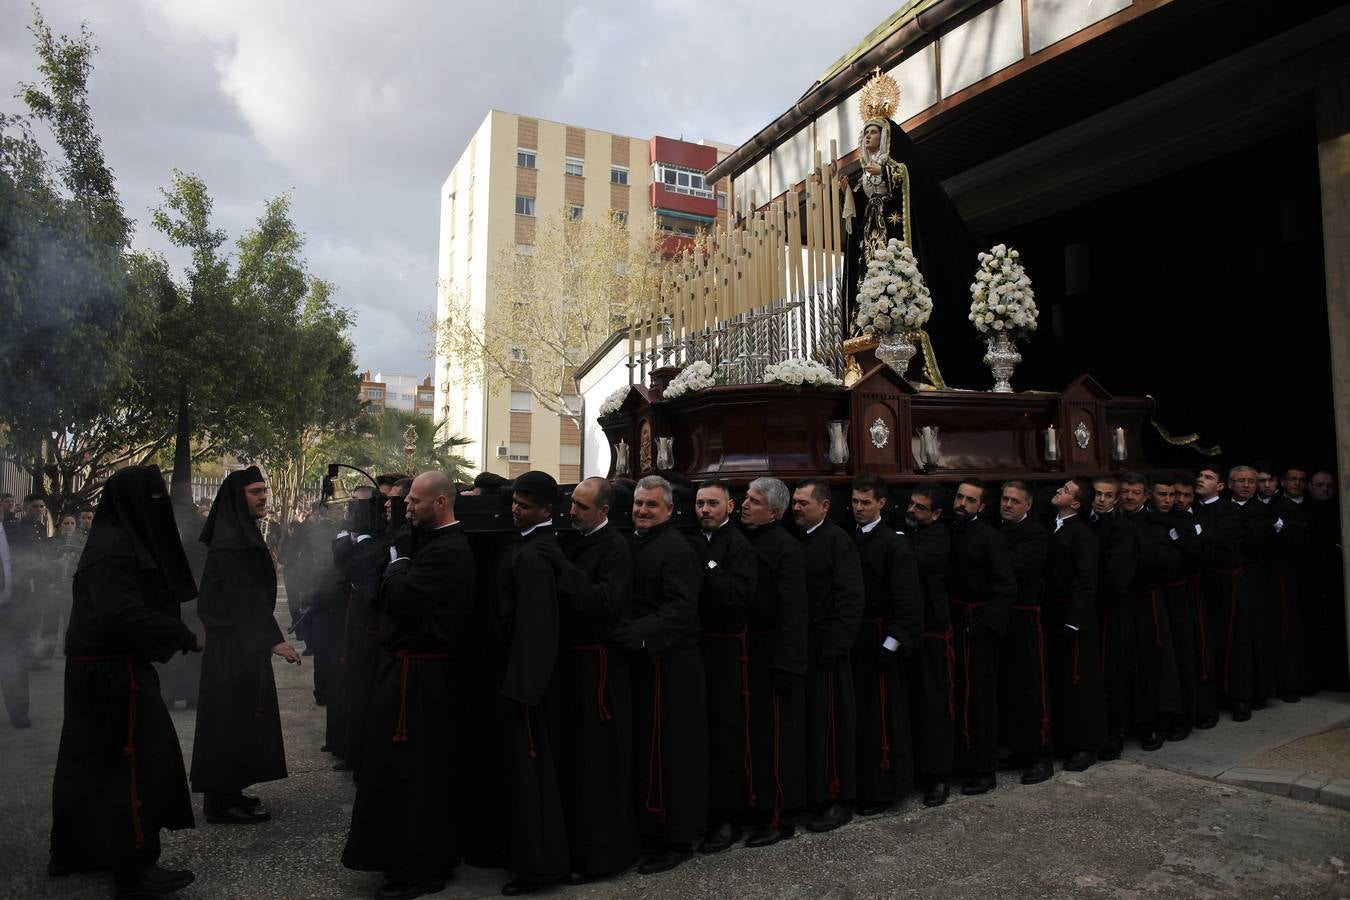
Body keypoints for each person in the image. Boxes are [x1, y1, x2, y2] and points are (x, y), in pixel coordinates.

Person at [48, 466, 202, 898]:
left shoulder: (110, 539)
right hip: (115, 673)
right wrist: (183, 637)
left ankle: (76, 850)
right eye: (151, 499)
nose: (159, 508)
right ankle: (134, 866)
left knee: (89, 763)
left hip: (95, 669)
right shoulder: (116, 549)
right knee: (133, 764)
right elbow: (121, 614)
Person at [343, 471, 476, 900]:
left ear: (441, 503)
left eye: (415, 501)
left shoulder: (451, 551)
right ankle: (402, 857)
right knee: (397, 772)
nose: (407, 507)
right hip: (406, 672)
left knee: (420, 775)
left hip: (425, 679)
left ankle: (422, 866)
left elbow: (400, 598)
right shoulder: (426, 541)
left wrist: (398, 567)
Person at [190, 466, 299, 825]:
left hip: (240, 645)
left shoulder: (240, 532)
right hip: (232, 650)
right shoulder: (232, 540)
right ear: (238, 497)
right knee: (230, 722)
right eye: (255, 492)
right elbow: (242, 599)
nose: (263, 496)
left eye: (264, 490)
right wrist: (274, 640)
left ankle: (231, 790)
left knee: (241, 721)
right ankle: (221, 802)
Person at [614, 475, 707, 875]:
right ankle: (650, 830)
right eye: (638, 504)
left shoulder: (677, 550)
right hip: (644, 662)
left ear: (670, 509)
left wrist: (637, 635)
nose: (642, 511)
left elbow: (681, 610)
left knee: (672, 753)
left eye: (651, 505)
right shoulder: (635, 543)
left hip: (672, 667)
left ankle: (677, 838)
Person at [551, 476, 637, 880]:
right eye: (572, 504)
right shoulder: (571, 539)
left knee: (597, 767)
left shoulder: (615, 548)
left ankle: (600, 857)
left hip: (599, 670)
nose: (572, 512)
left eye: (582, 508)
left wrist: (562, 570)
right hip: (572, 668)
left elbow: (603, 602)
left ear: (604, 512)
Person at [494, 471, 569, 895]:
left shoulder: (538, 553)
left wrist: (524, 686)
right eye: (514, 504)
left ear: (546, 510)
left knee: (534, 776)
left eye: (524, 506)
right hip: (518, 677)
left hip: (528, 685)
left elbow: (537, 629)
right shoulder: (525, 544)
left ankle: (539, 867)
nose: (515, 511)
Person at [738, 477, 808, 848]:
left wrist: (787, 663)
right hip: (747, 651)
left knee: (775, 739)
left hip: (773, 654)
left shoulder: (786, 548)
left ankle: (779, 816)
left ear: (775, 512)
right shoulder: (743, 539)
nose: (744, 504)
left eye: (754, 500)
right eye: (746, 498)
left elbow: (793, 611)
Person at [792, 478, 864, 832]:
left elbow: (850, 599)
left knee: (832, 726)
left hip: (828, 650)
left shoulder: (837, 542)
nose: (797, 508)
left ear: (824, 506)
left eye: (804, 503)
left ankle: (838, 797)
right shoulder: (796, 540)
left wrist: (834, 646)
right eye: (794, 502)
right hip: (803, 649)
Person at [691, 479, 758, 853]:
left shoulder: (737, 546)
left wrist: (711, 566)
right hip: (699, 648)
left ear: (729, 507)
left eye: (713, 504)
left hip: (728, 653)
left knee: (727, 733)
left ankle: (728, 819)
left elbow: (738, 596)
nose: (705, 510)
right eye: (700, 503)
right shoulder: (694, 540)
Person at [848, 474, 921, 814]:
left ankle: (884, 789)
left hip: (880, 640)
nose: (859, 508)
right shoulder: (851, 538)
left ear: (881, 504)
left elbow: (907, 600)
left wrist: (891, 645)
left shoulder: (894, 544)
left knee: (882, 717)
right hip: (856, 638)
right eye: (855, 502)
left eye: (865, 502)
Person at [947, 478, 1017, 796]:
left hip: (980, 630)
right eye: (959, 497)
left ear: (982, 506)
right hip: (955, 625)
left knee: (981, 702)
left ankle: (983, 770)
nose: (962, 504)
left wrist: (984, 627)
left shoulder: (990, 538)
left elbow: (1005, 588)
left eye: (970, 500)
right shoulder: (949, 529)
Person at [1043, 478, 1106, 771]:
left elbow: (1085, 581)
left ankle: (1085, 745)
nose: (1059, 491)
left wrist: (1074, 622)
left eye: (1066, 491)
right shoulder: (1052, 525)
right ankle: (1063, 740)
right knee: (1059, 682)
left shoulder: (1082, 534)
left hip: (1074, 619)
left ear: (1077, 504)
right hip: (1053, 613)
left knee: (1080, 683)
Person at [1118, 473, 1181, 751]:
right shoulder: (1112, 520)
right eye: (1126, 491)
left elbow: (1168, 560)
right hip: (1120, 602)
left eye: (1135, 492)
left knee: (1152, 664)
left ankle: (1153, 724)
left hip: (1148, 602)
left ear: (1146, 496)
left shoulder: (1156, 523)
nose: (1129, 496)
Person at [996, 479, 1053, 784]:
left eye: (1014, 501)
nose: (1007, 505)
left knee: (1033, 688)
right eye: (1005, 499)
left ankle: (1041, 755)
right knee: (1009, 688)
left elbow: (1015, 565)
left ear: (1028, 505)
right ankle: (1017, 748)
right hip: (1005, 618)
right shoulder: (999, 530)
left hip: (1027, 618)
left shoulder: (1035, 533)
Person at [903, 482, 955, 807]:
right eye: (911, 504)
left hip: (932, 635)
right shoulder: (908, 532)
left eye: (920, 507)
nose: (911, 510)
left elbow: (910, 562)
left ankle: (939, 775)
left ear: (936, 514)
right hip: (912, 632)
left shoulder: (937, 538)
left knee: (934, 707)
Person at [1193, 465, 1254, 722]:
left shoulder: (1229, 510)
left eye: (1208, 477)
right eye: (1200, 475)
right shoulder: (1191, 508)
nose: (1201, 479)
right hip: (1200, 583)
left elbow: (1216, 541)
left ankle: (1238, 696)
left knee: (1232, 640)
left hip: (1225, 583)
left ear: (1220, 486)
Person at [1090, 476, 1135, 758]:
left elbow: (1117, 574)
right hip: (1091, 608)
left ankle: (1114, 733)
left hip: (1110, 609)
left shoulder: (1121, 528)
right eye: (1097, 494)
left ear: (1116, 500)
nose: (1101, 499)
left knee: (1113, 671)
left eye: (1108, 495)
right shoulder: (1087, 522)